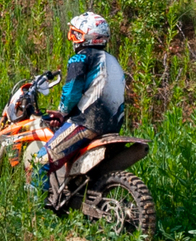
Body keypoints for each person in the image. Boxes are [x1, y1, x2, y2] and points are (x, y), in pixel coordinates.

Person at [35, 11, 128, 209]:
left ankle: (37, 213)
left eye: (75, 33)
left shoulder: (80, 59)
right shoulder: (113, 62)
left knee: (40, 162)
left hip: (87, 122)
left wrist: (61, 112)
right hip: (113, 125)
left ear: (85, 36)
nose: (73, 38)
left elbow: (71, 91)